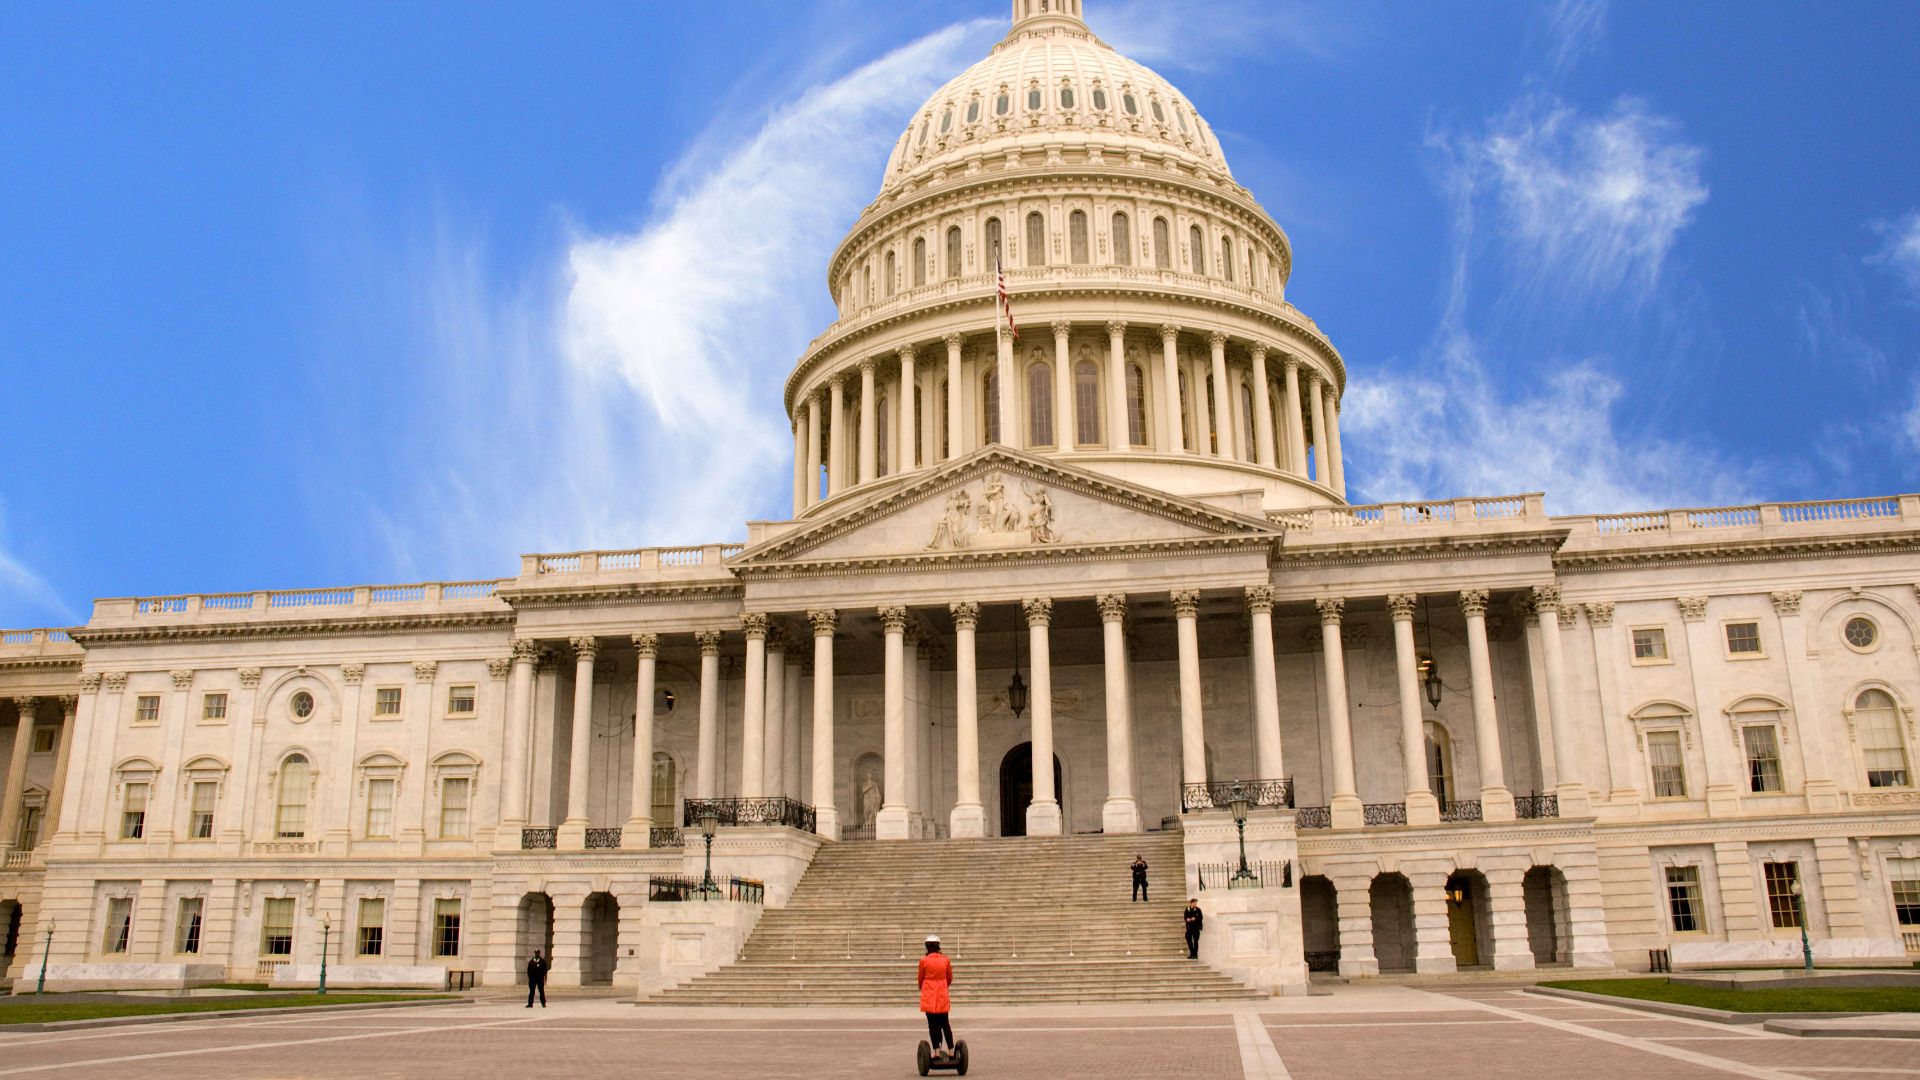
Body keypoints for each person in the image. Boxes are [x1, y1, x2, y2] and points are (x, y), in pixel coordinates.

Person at [918, 935, 955, 1058]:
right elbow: (949, 977)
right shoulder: (945, 960)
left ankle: (937, 1051)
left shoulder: (924, 961)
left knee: (933, 1024)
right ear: (938, 946)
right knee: (945, 1023)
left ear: (927, 947)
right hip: (942, 995)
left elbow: (921, 979)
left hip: (929, 995)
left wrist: (923, 988)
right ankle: (951, 1050)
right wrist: (944, 985)